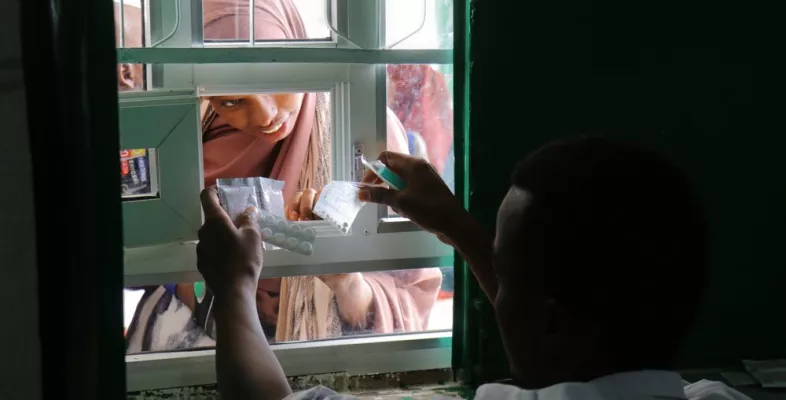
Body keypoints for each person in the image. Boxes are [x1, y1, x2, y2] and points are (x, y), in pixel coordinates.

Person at [196, 136, 752, 399]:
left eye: (503, 275)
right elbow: (550, 319)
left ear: (553, 321)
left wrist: (234, 286)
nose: (494, 289)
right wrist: (460, 230)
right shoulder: (717, 399)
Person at [125, 0, 442, 352]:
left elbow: (412, 303)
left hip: (312, 359)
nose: (265, 116)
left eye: (275, 82)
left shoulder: (366, 135)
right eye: (231, 102)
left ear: (296, 45)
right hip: (188, 342)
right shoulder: (179, 135)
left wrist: (346, 281)